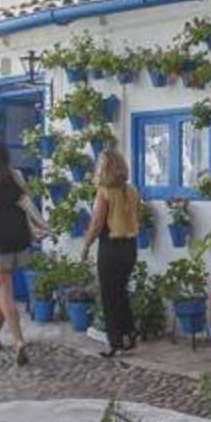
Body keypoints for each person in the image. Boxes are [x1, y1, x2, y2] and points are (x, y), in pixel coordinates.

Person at [0, 137, 48, 365]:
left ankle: (18, 341)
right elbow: (26, 206)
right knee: (4, 288)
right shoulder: (17, 176)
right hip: (19, 239)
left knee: (4, 289)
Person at [80, 149, 140, 358]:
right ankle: (129, 334)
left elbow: (97, 224)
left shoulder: (104, 192)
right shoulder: (131, 190)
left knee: (109, 296)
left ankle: (115, 342)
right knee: (121, 292)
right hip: (130, 246)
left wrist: (86, 245)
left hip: (111, 247)